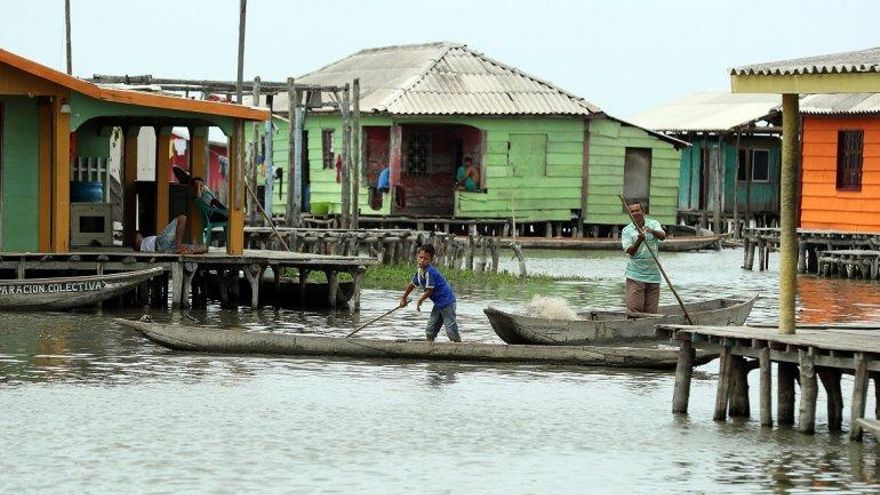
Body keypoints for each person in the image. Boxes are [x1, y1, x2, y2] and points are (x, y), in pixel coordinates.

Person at [399, 244, 461, 342]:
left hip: (447, 303)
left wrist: (420, 300)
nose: (422, 260)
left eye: (426, 259)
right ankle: (430, 348)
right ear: (417, 257)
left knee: (451, 330)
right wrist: (404, 298)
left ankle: (459, 346)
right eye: (421, 257)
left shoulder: (430, 272)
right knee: (430, 331)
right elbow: (412, 285)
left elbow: (429, 290)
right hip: (438, 304)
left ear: (431, 260)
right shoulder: (420, 271)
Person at [621, 202, 666, 314]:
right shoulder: (627, 230)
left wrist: (652, 231)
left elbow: (662, 236)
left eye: (637, 210)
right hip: (635, 275)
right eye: (632, 211)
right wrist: (639, 241)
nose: (635, 213)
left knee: (651, 313)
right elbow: (630, 251)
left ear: (643, 212)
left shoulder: (653, 223)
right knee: (635, 311)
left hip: (653, 275)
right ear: (630, 215)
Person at [134, 214, 207, 254]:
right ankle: (180, 246)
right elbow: (137, 236)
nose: (139, 235)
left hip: (167, 248)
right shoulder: (142, 242)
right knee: (182, 218)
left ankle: (189, 249)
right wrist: (178, 245)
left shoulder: (145, 243)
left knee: (203, 247)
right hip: (160, 244)